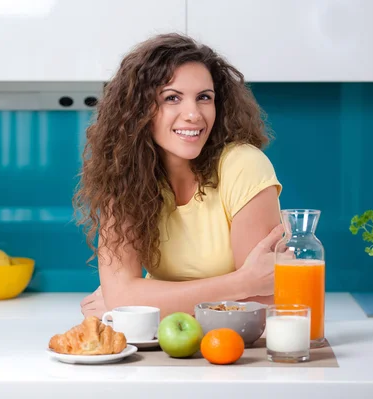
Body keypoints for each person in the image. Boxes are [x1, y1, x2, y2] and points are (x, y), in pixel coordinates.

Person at [74, 33, 284, 319]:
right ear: (138, 110)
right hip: (163, 350)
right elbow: (122, 295)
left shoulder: (244, 165)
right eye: (172, 98)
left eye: (204, 98)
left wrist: (146, 300)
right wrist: (240, 283)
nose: (193, 114)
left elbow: (261, 304)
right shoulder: (124, 175)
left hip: (236, 353)